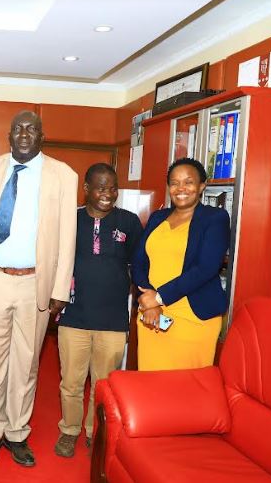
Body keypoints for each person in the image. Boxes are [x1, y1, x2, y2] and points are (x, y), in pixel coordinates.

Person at [0, 110, 77, 467]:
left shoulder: (63, 175)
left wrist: (60, 287)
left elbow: (68, 235)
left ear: (41, 136)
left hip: (36, 282)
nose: (24, 134)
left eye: (32, 129)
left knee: (27, 363)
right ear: (9, 135)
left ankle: (16, 433)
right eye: (18, 128)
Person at [54, 163, 142, 458]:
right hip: (74, 316)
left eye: (113, 188)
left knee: (104, 384)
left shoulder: (129, 222)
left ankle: (96, 432)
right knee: (71, 382)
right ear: (86, 189)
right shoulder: (70, 219)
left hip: (113, 320)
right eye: (101, 188)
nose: (108, 194)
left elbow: (139, 265)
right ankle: (69, 430)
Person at [133, 157, 230, 370]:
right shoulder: (157, 217)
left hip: (192, 316)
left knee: (185, 384)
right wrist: (149, 300)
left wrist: (158, 297)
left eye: (188, 182)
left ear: (202, 186)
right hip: (152, 314)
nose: (181, 188)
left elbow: (206, 268)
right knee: (150, 380)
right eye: (174, 183)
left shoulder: (215, 218)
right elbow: (138, 261)